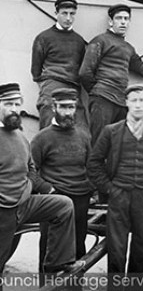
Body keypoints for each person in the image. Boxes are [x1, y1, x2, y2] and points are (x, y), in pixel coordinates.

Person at [87, 84, 143, 290]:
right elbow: (94, 163)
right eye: (134, 100)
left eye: (142, 101)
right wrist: (109, 188)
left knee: (140, 248)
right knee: (116, 249)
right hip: (118, 195)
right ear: (126, 103)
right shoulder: (111, 131)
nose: (138, 105)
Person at [0, 83, 82, 276]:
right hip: (3, 210)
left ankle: (56, 263)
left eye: (17, 104)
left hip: (23, 204)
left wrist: (27, 187)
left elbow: (30, 167)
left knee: (63, 206)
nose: (14, 109)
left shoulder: (20, 136)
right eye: (8, 104)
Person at [79, 3, 143, 144]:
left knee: (117, 144)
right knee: (97, 141)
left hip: (121, 103)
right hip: (103, 99)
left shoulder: (128, 48)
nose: (123, 22)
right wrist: (98, 91)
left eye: (126, 19)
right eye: (119, 18)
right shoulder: (100, 41)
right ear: (110, 21)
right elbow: (85, 72)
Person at [31, 88, 93, 267]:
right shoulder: (42, 138)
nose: (68, 112)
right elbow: (30, 171)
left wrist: (91, 187)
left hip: (80, 198)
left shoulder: (83, 136)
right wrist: (47, 189)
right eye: (63, 107)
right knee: (50, 248)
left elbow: (92, 167)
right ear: (53, 107)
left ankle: (75, 286)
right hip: (55, 199)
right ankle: (46, 286)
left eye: (71, 107)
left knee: (78, 247)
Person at [31, 0, 87, 129]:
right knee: (49, 125)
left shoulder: (79, 41)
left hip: (73, 87)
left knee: (79, 129)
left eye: (72, 14)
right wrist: (47, 85)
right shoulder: (43, 38)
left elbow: (82, 69)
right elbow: (35, 70)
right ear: (56, 14)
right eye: (64, 13)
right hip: (51, 85)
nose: (68, 18)